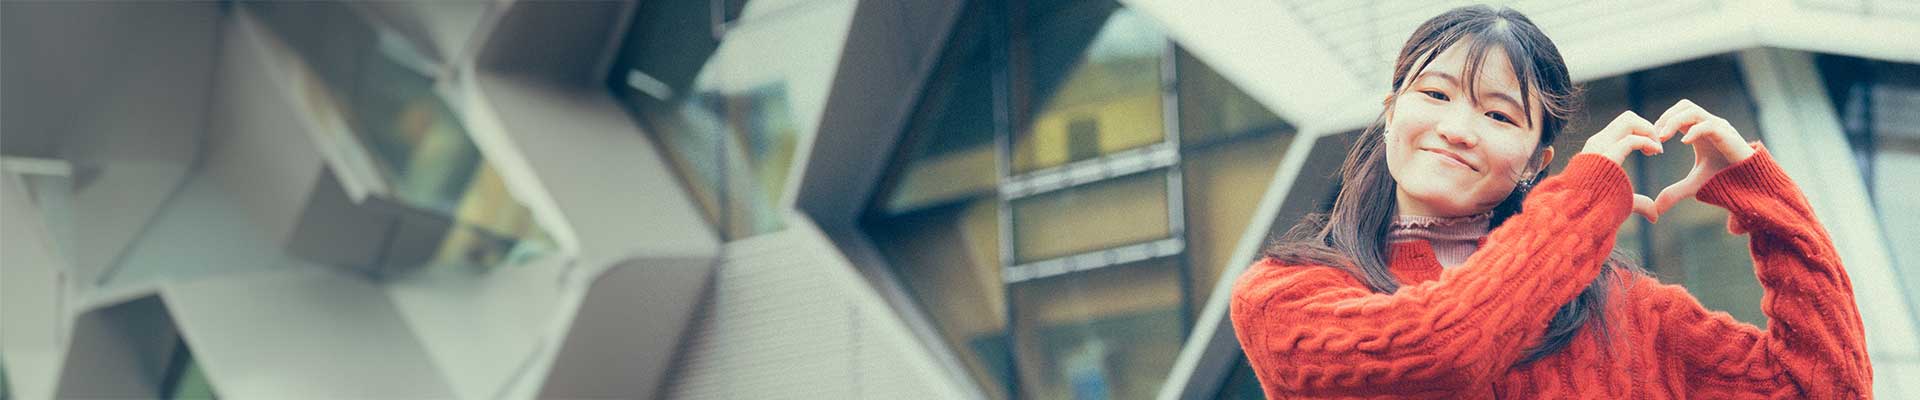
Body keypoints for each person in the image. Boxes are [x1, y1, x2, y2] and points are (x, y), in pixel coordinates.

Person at [1230, 5, 1871, 398]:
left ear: (1537, 164)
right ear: (1390, 110)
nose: (1457, 127)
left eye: (1500, 115)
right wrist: (1583, 202)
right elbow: (1442, 348)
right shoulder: (1286, 293)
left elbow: (1822, 391)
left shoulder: (1621, 308)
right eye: (1435, 94)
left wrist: (1769, 206)